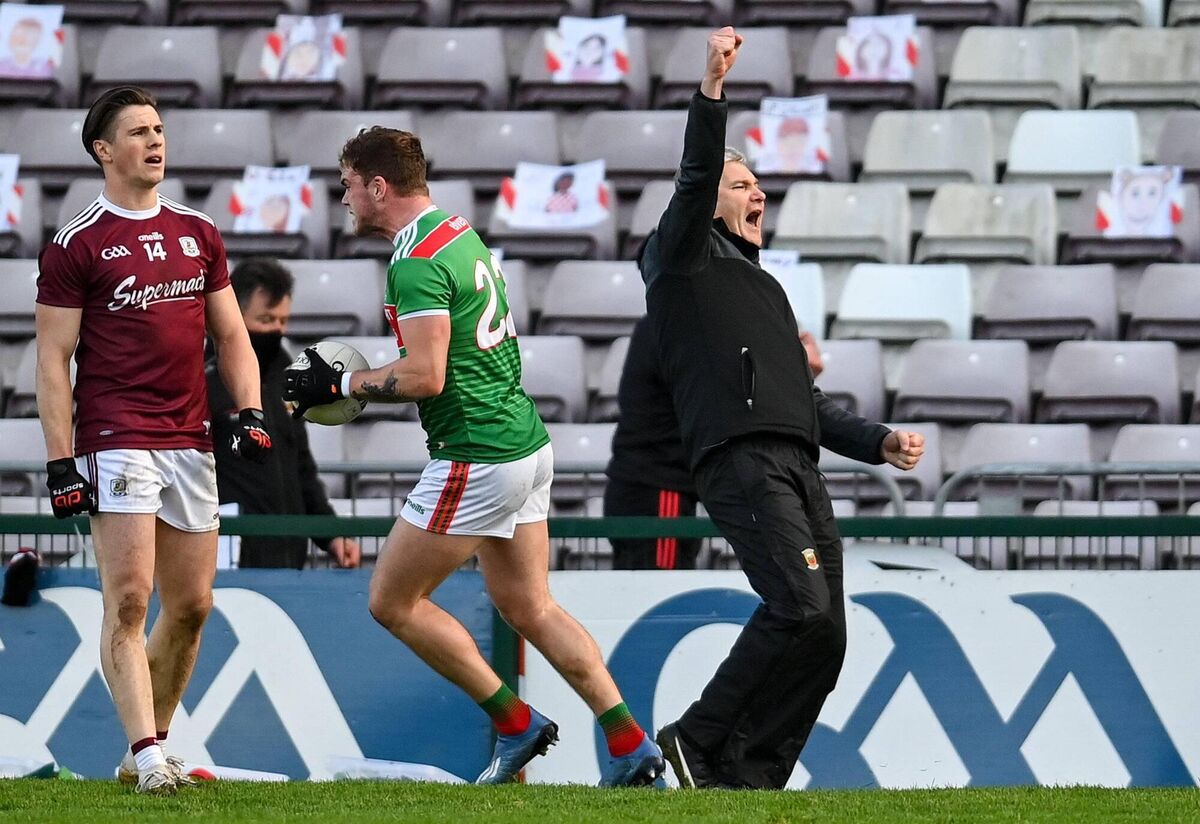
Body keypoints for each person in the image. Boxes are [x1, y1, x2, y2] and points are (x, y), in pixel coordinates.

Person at [282, 126, 665, 787]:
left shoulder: (415, 259)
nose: (342, 198)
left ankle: (516, 724)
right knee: (530, 605)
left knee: (392, 602)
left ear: (378, 185)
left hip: (477, 451)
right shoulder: (456, 233)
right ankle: (632, 746)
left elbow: (427, 376)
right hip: (524, 442)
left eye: (347, 184)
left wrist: (347, 384)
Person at [641, 29, 925, 790]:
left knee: (826, 633)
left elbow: (805, 401)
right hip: (739, 458)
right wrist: (710, 90)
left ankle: (749, 777)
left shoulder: (763, 288)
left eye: (758, 182)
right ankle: (694, 739)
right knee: (798, 607)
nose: (755, 190)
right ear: (701, 206)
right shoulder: (679, 258)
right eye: (741, 183)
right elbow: (696, 173)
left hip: (797, 463)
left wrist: (877, 440)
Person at [34, 85, 273, 795]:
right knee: (131, 599)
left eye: (159, 129)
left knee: (194, 605)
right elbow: (53, 359)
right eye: (138, 131)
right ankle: (146, 760)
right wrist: (59, 460)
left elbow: (230, 333)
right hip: (116, 434)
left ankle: (150, 748)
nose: (155, 141)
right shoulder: (77, 242)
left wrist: (252, 410)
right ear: (104, 151)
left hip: (190, 438)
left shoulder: (198, 232)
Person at [605, 318, 824, 571]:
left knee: (651, 599)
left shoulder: (668, 323)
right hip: (658, 492)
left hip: (651, 489)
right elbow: (736, 399)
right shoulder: (678, 328)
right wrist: (793, 372)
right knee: (659, 602)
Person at [205, 257, 361, 570]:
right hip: (227, 554)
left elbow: (300, 466)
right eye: (265, 320)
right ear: (233, 314)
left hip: (290, 554)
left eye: (283, 321)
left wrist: (330, 535)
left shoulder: (286, 373)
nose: (277, 331)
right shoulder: (202, 378)